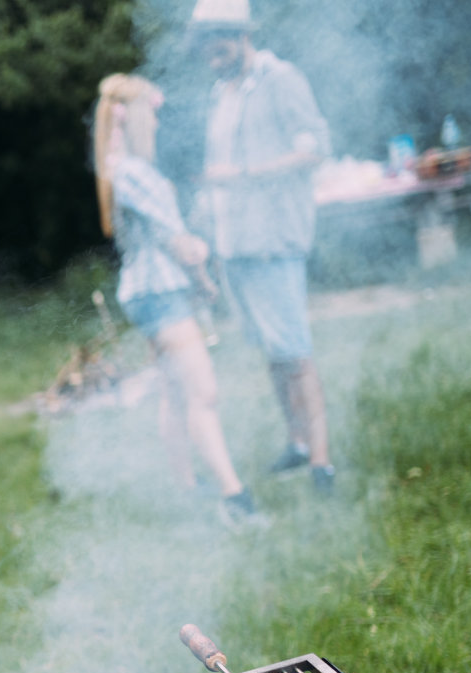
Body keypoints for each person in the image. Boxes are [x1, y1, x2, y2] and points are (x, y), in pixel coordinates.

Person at [93, 73, 262, 526]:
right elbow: (180, 243)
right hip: (163, 294)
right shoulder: (134, 173)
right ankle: (235, 498)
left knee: (173, 389)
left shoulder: (118, 170)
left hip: (149, 293)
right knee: (203, 392)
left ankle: (187, 490)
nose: (158, 123)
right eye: (153, 114)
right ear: (135, 118)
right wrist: (204, 266)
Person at [191, 0, 336, 493]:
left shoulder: (281, 79)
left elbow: (314, 147)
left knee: (294, 349)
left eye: (219, 37)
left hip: (274, 240)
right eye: (204, 40)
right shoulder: (220, 92)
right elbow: (216, 170)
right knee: (271, 351)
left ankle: (322, 462)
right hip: (235, 246)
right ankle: (296, 443)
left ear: (241, 34)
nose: (211, 48)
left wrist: (245, 174)